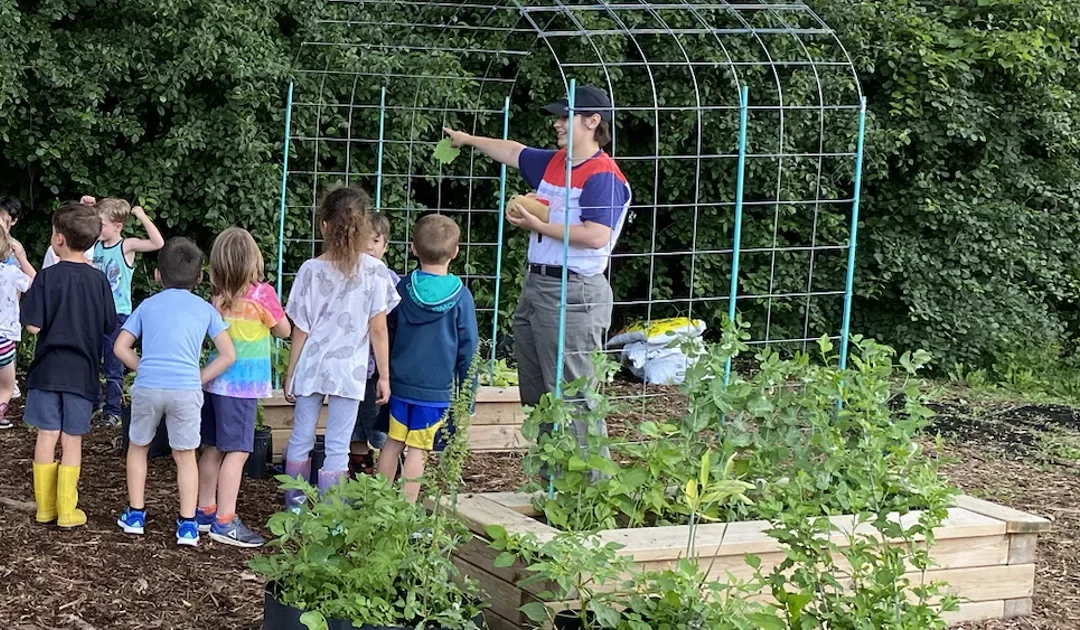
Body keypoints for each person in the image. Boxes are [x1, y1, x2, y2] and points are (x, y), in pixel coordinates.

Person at [443, 84, 631, 450]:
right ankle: (552, 490)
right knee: (540, 395)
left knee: (575, 397)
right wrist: (468, 139)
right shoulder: (555, 162)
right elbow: (513, 152)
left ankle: (588, 496)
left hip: (574, 293)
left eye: (566, 117)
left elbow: (595, 235)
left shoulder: (603, 175)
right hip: (539, 288)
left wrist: (538, 224)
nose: (557, 124)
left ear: (593, 121)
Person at [282, 185, 400, 508]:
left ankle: (294, 509)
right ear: (364, 227)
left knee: (300, 438)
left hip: (311, 364)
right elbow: (378, 329)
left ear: (323, 225)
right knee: (338, 444)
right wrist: (385, 377)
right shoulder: (377, 272)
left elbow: (300, 328)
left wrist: (290, 372)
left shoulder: (309, 270)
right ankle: (332, 516)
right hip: (349, 369)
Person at [113, 237, 235, 547]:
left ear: (157, 275)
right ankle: (188, 526)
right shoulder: (205, 309)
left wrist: (143, 366)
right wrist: (199, 377)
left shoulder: (148, 305)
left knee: (138, 447)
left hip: (149, 386)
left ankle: (136, 516)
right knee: (185, 457)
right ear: (199, 278)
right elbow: (227, 354)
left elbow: (120, 347)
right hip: (186, 389)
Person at [23, 202, 117, 529]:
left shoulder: (46, 278)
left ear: (59, 239)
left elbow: (33, 327)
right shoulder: (99, 281)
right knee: (72, 439)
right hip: (82, 373)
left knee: (47, 434)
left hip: (47, 370)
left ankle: (44, 509)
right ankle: (67, 511)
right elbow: (108, 325)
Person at [196, 227, 290, 547]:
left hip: (214, 384)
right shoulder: (262, 294)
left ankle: (204, 511)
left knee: (212, 448)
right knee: (237, 452)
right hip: (243, 389)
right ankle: (225, 520)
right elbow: (283, 330)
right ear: (253, 260)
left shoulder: (217, 297)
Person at [376, 214, 478, 503]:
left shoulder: (401, 290)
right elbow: (468, 351)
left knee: (393, 442)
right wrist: (467, 399)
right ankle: (405, 513)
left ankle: (378, 505)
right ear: (455, 252)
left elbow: (388, 333)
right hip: (435, 393)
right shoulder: (461, 297)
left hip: (398, 386)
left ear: (413, 248)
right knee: (418, 450)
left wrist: (382, 375)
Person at [91, 197, 166, 427]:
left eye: (101, 224)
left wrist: (142, 216)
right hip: (94, 312)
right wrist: (85, 207)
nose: (98, 228)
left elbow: (158, 243)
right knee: (91, 361)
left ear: (117, 226)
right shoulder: (94, 246)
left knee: (113, 364)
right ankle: (95, 404)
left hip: (117, 314)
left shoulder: (126, 246)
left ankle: (113, 410)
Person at [349, 212, 398, 477]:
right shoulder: (346, 276)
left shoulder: (391, 281)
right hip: (353, 364)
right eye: (364, 240)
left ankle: (389, 480)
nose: (369, 247)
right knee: (356, 424)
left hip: (381, 366)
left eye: (376, 240)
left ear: (385, 246)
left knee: (381, 425)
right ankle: (359, 478)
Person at [0, 229, 35, 430]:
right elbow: (36, 281)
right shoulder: (11, 272)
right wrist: (20, 257)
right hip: (4, 337)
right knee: (6, 386)